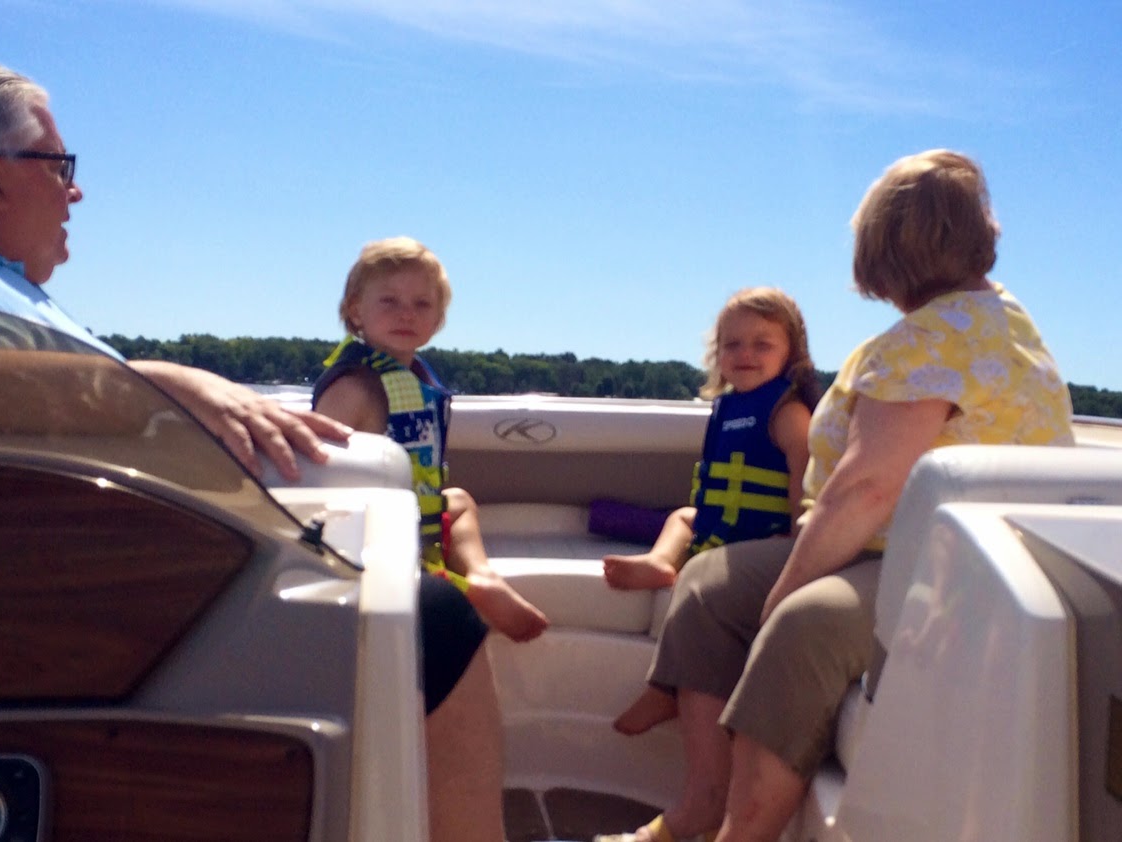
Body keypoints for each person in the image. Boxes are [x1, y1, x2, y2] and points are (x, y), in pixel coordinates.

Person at [0, 62, 505, 842]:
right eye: (58, 166)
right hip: (55, 642)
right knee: (434, 622)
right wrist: (163, 384)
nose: (75, 192)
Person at [594, 149, 1074, 842]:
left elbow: (867, 489)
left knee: (801, 622)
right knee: (706, 584)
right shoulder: (1003, 320)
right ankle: (700, 802)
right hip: (911, 551)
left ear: (884, 250)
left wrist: (783, 592)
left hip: (938, 568)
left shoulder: (931, 342)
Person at [313, 236, 550, 643]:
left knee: (459, 500)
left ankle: (480, 574)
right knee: (451, 509)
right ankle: (467, 578)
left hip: (415, 519)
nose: (406, 313)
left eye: (422, 304)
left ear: (438, 319)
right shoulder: (354, 389)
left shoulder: (415, 380)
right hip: (375, 536)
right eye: (389, 301)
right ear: (355, 310)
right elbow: (319, 478)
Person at [605, 287, 818, 737]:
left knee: (699, 581)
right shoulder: (726, 408)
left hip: (762, 538)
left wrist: (794, 536)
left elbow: (804, 474)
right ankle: (660, 562)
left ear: (791, 354)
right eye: (732, 344)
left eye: (762, 344)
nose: (745, 354)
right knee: (682, 516)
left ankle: (665, 689)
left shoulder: (786, 411)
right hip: (718, 530)